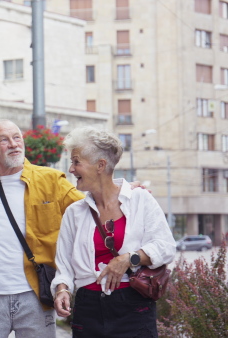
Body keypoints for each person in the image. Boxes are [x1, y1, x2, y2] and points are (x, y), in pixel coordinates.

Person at [0, 119, 85, 338]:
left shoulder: (51, 180)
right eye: (4, 140)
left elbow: (87, 209)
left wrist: (120, 191)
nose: (13, 144)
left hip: (35, 295)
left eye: (17, 137)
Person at [51, 126, 176, 337]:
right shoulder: (74, 212)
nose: (71, 169)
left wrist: (128, 259)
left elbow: (166, 247)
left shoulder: (140, 200)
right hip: (87, 309)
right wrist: (62, 290)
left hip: (134, 306)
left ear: (100, 165)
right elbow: (63, 265)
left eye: (76, 162)